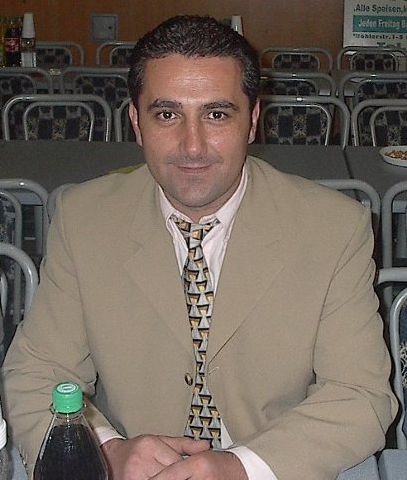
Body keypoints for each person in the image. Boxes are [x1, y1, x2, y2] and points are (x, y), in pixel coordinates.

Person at [2, 15, 397, 480]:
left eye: (217, 114)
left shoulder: (334, 228)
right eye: (167, 115)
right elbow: (38, 373)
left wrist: (241, 467)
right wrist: (104, 451)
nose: (193, 147)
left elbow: (359, 395)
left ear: (252, 121)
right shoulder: (83, 218)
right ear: (136, 122)